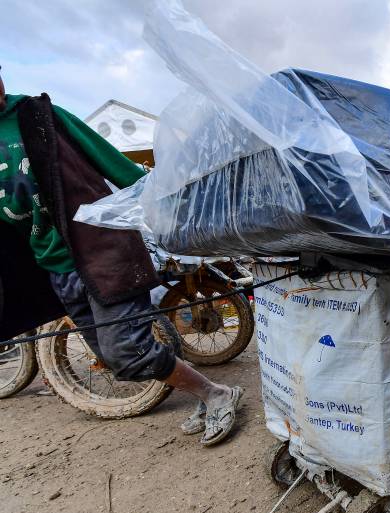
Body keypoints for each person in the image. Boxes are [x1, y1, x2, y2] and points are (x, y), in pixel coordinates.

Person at [0, 69, 241, 446]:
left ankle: (218, 394)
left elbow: (116, 165)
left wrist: (181, 213)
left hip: (102, 250)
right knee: (113, 357)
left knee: (126, 353)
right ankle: (205, 392)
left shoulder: (41, 116)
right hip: (54, 265)